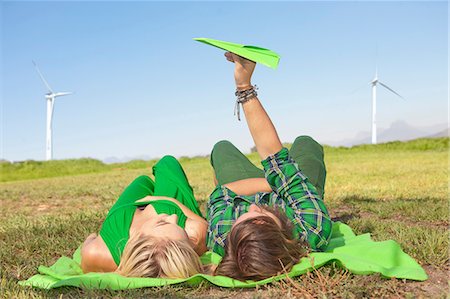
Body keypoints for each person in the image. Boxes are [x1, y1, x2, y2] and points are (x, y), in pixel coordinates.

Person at [206, 52, 332, 281]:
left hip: (250, 187)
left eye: (242, 219)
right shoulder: (310, 228)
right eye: (262, 219)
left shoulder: (221, 237)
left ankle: (275, 183)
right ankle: (295, 183)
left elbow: (220, 194)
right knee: (306, 143)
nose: (253, 211)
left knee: (221, 147)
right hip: (294, 190)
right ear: (286, 236)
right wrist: (244, 86)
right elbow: (278, 161)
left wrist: (271, 182)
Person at [81, 155, 208, 278]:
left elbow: (91, 237)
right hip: (168, 204)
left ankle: (150, 189)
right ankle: (159, 196)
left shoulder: (97, 254)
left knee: (142, 180)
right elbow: (205, 226)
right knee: (167, 162)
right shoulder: (194, 233)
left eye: (162, 223)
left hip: (123, 215)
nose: (173, 217)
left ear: (138, 239)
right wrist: (169, 200)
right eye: (182, 232)